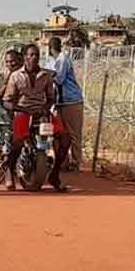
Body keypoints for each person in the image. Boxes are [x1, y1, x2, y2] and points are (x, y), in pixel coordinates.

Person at [3, 44, 71, 191]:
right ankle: (9, 169)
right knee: (17, 142)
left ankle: (54, 174)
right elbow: (7, 101)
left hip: (41, 112)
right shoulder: (15, 76)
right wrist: (21, 108)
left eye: (36, 55)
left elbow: (51, 97)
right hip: (23, 112)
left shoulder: (45, 76)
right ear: (25, 57)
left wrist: (46, 109)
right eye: (31, 55)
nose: (34, 58)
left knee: (65, 139)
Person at [46, 36, 84, 171]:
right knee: (59, 133)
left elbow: (59, 79)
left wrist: (46, 74)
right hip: (59, 103)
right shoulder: (52, 62)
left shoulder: (63, 60)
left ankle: (75, 162)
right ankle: (63, 161)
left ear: (50, 49)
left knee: (73, 134)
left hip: (71, 101)